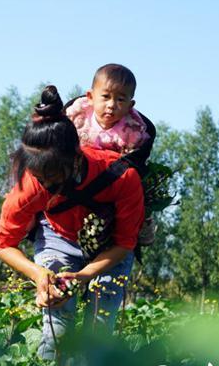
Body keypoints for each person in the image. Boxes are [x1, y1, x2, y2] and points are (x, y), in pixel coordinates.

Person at [0, 85, 144, 360]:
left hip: (108, 248)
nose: (45, 185)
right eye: (39, 176)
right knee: (57, 329)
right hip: (57, 238)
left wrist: (85, 276)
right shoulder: (31, 185)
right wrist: (40, 275)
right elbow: (3, 244)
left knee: (98, 333)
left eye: (52, 176)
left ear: (76, 158)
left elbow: (124, 243)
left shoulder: (122, 177)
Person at [66, 63, 158, 244]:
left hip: (112, 178)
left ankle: (140, 228)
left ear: (130, 105)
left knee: (139, 191)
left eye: (120, 100)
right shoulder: (78, 116)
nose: (111, 105)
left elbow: (132, 163)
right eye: (106, 97)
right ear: (90, 97)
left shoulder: (132, 130)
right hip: (78, 171)